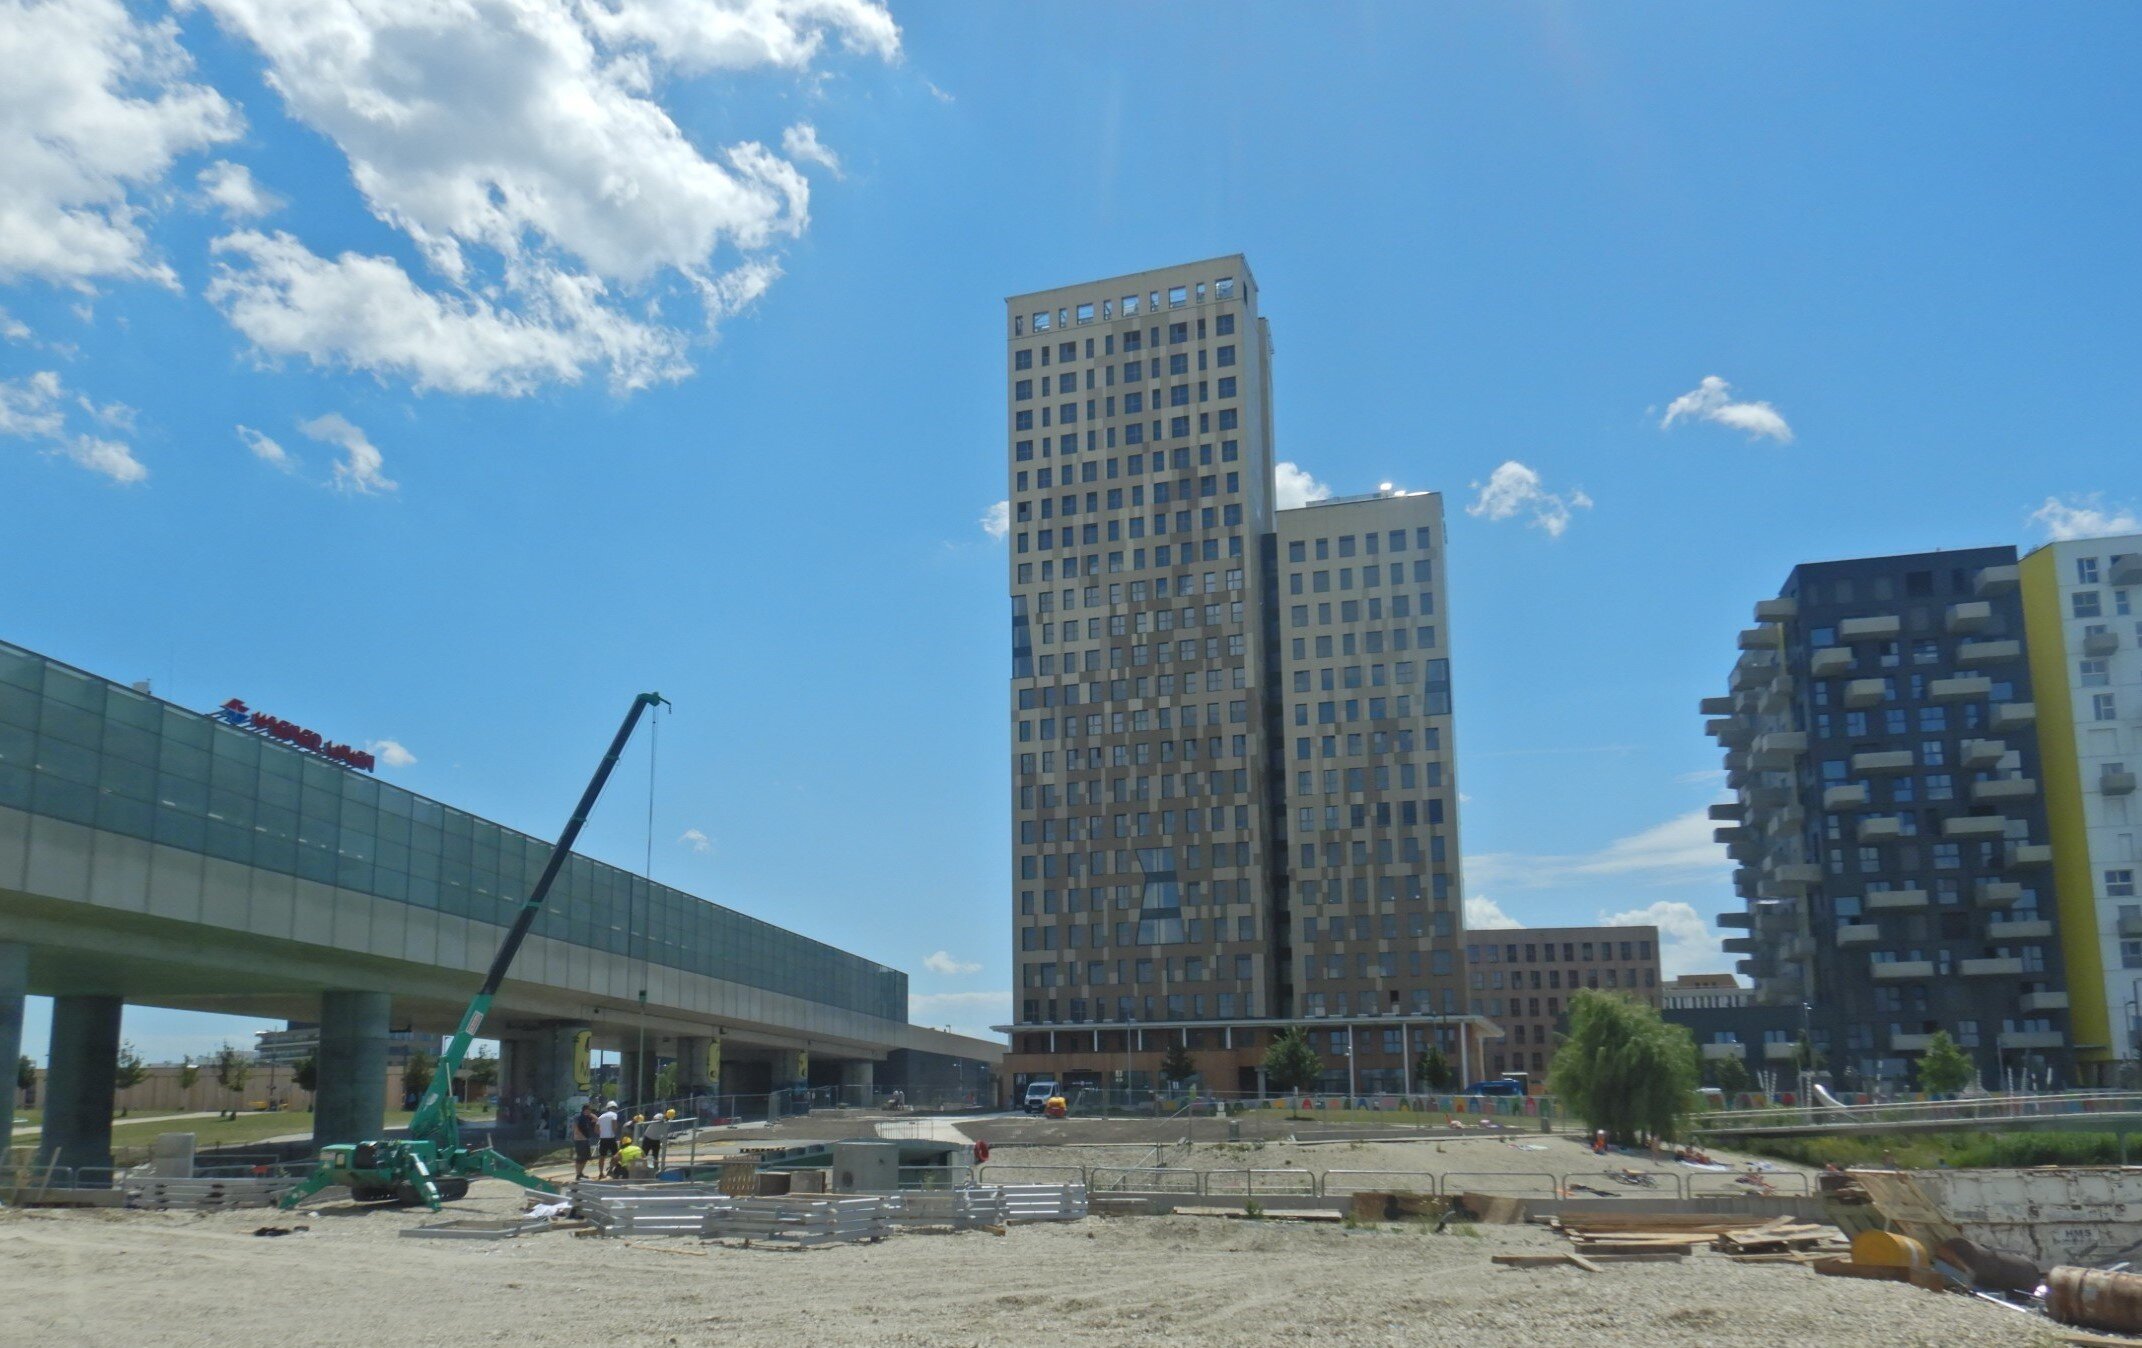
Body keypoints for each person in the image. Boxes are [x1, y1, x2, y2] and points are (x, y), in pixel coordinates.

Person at [571, 1103, 598, 1183]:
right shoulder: (578, 1117)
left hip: (585, 1139)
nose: (590, 1112)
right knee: (580, 1158)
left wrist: (591, 1114)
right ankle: (578, 1174)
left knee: (586, 1158)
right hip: (579, 1140)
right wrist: (581, 1136)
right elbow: (575, 1127)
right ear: (585, 1110)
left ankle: (581, 1173)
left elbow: (597, 1119)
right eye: (589, 1110)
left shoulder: (588, 1117)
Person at [596, 1100, 620, 1173]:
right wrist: (614, 1131)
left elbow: (596, 1129)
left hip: (603, 1139)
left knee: (602, 1156)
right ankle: (611, 1169)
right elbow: (614, 1125)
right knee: (615, 1155)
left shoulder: (601, 1117)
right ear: (614, 1108)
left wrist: (602, 1133)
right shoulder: (614, 1115)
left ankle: (601, 1173)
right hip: (611, 1138)